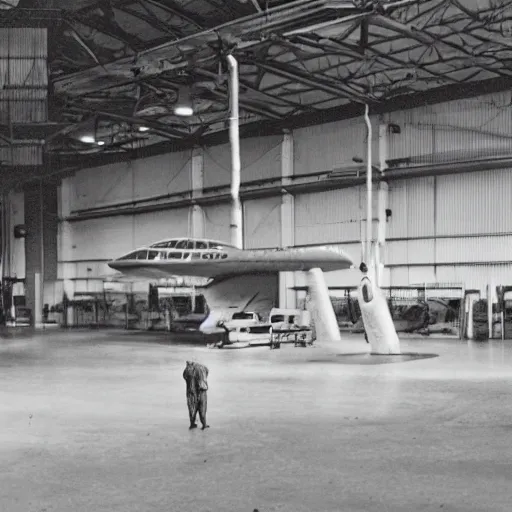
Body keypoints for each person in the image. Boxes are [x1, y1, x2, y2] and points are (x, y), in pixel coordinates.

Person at [182, 361, 210, 430]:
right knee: (202, 409)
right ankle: (204, 424)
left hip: (191, 392)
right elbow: (207, 372)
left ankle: (192, 424)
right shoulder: (203, 367)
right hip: (202, 391)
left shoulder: (187, 370)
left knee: (192, 409)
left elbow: (185, 377)